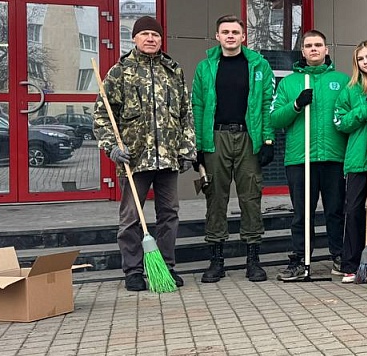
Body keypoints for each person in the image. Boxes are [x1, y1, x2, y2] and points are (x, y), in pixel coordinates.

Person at [93, 15, 196, 292]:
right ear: (135, 38)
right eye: (145, 34)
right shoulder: (120, 71)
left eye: (156, 35)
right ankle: (134, 271)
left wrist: (187, 149)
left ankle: (165, 268)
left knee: (169, 215)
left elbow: (186, 113)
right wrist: (111, 147)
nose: (151, 39)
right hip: (135, 160)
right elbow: (102, 115)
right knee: (130, 218)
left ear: (162, 40)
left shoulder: (173, 71)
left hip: (168, 158)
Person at [191, 15, 276, 284]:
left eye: (235, 32)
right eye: (225, 32)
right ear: (217, 36)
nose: (230, 36)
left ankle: (253, 261)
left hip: (248, 137)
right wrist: (197, 145)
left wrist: (268, 139)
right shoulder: (205, 68)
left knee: (251, 197)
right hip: (215, 138)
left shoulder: (258, 65)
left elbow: (266, 105)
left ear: (243, 36)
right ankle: (216, 262)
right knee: (215, 196)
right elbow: (197, 107)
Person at [271, 29, 349, 281]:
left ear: (326, 49)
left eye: (318, 45)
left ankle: (339, 255)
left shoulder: (342, 80)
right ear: (302, 51)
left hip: (333, 157)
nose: (314, 49)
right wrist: (295, 105)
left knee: (335, 211)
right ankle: (300, 258)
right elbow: (274, 117)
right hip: (300, 158)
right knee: (302, 213)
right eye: (309, 45)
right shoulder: (290, 83)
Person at [333, 40, 367, 284]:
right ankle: (352, 264)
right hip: (357, 159)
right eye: (361, 59)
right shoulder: (350, 89)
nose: (366, 62)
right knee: (354, 211)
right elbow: (340, 122)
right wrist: (361, 112)